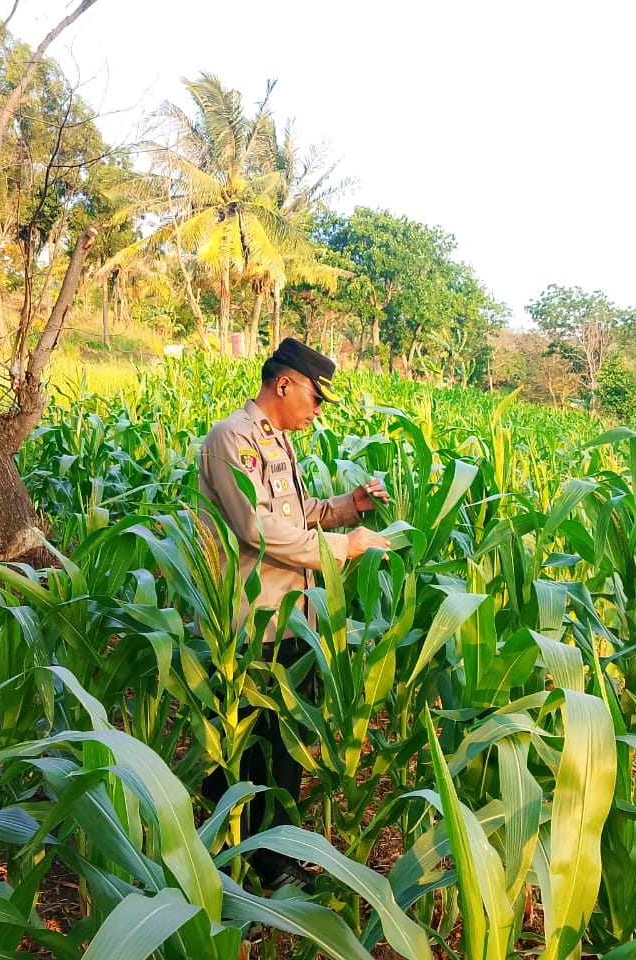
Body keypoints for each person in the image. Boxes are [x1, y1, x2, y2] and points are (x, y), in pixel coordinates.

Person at [198, 337, 390, 887]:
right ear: (283, 384)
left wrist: (347, 507)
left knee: (282, 742)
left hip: (289, 615)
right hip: (251, 620)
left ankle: (260, 849)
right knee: (254, 743)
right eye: (316, 396)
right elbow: (257, 528)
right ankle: (259, 860)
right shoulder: (233, 438)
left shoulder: (276, 440)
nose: (318, 409)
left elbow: (296, 514)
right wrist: (343, 547)